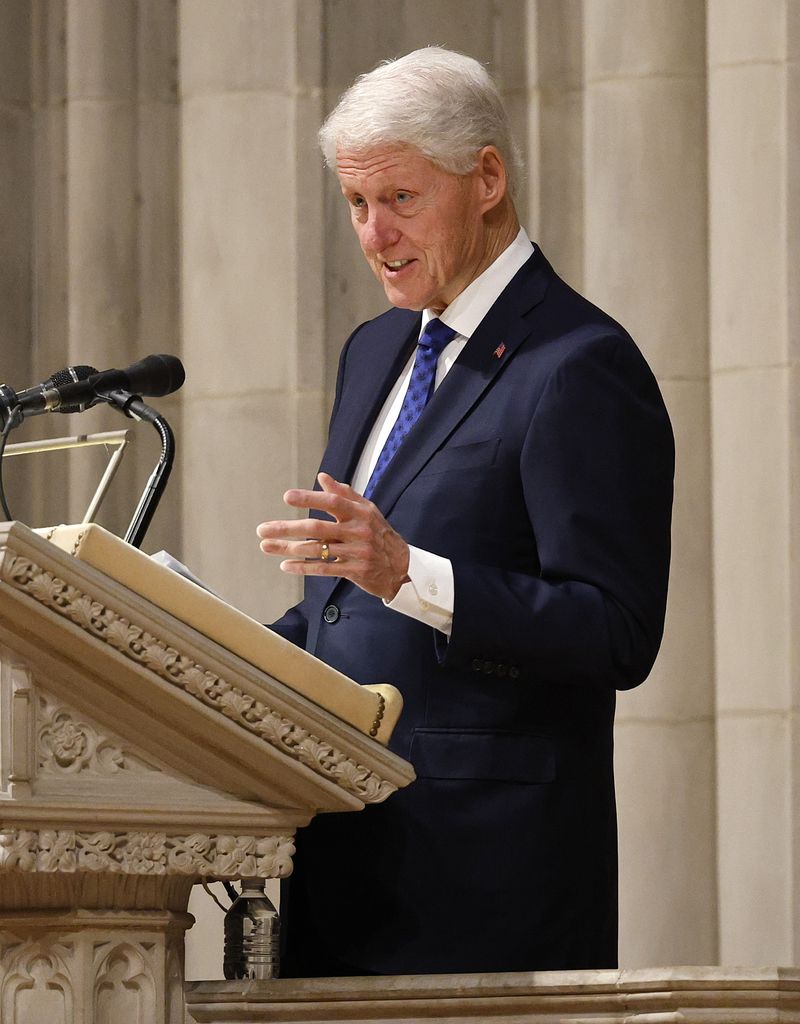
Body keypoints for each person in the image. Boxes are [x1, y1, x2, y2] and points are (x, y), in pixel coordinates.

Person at [256, 47, 674, 977]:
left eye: (401, 199)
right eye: (357, 205)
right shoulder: (372, 352)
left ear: (486, 177)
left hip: (486, 887)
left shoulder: (579, 364)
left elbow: (615, 633)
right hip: (338, 859)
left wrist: (411, 573)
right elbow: (345, 608)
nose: (375, 234)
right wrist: (203, 649)